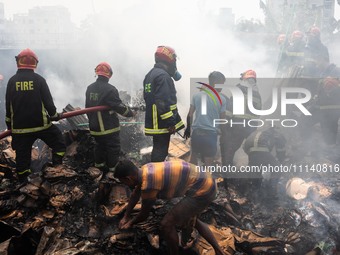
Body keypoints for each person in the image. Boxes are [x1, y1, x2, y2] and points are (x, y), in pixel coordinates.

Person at [114, 159, 226, 255]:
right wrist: (126, 216)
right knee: (192, 218)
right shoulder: (145, 169)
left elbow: (144, 214)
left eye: (124, 182)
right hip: (206, 180)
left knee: (166, 224)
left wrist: (130, 223)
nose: (125, 185)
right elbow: (135, 194)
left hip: (203, 189)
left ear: (129, 178)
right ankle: (218, 251)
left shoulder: (149, 184)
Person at [5, 48, 66, 183]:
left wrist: (10, 127)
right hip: (41, 126)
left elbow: (8, 107)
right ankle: (56, 169)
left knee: (22, 160)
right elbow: (49, 103)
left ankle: (24, 185)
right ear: (35, 63)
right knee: (60, 145)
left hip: (20, 130)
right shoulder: (39, 80)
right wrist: (55, 115)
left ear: (18, 62)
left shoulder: (12, 81)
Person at [85, 62, 135, 174]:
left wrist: (93, 121)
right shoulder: (110, 89)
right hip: (109, 128)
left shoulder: (90, 88)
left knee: (99, 147)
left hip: (95, 127)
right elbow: (119, 107)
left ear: (97, 73)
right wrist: (130, 113)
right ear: (109, 75)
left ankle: (98, 170)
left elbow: (87, 107)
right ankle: (112, 173)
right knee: (113, 148)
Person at [143, 46, 184, 162]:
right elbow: (162, 101)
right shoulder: (163, 76)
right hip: (161, 123)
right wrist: (170, 122)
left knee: (158, 149)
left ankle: (154, 174)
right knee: (160, 152)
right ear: (169, 60)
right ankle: (156, 177)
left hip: (155, 121)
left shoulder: (150, 75)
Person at [184, 71, 227, 166]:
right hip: (210, 135)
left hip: (196, 134)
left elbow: (190, 115)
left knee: (193, 162)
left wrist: (188, 129)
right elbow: (222, 120)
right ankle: (206, 180)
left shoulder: (196, 96)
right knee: (208, 166)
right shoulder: (222, 99)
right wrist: (224, 134)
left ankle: (191, 179)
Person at [222, 69, 262, 167]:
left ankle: (227, 169)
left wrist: (226, 123)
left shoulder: (238, 89)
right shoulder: (257, 94)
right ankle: (253, 171)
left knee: (231, 147)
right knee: (251, 149)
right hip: (251, 126)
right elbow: (258, 112)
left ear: (244, 79)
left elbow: (230, 108)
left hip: (238, 124)